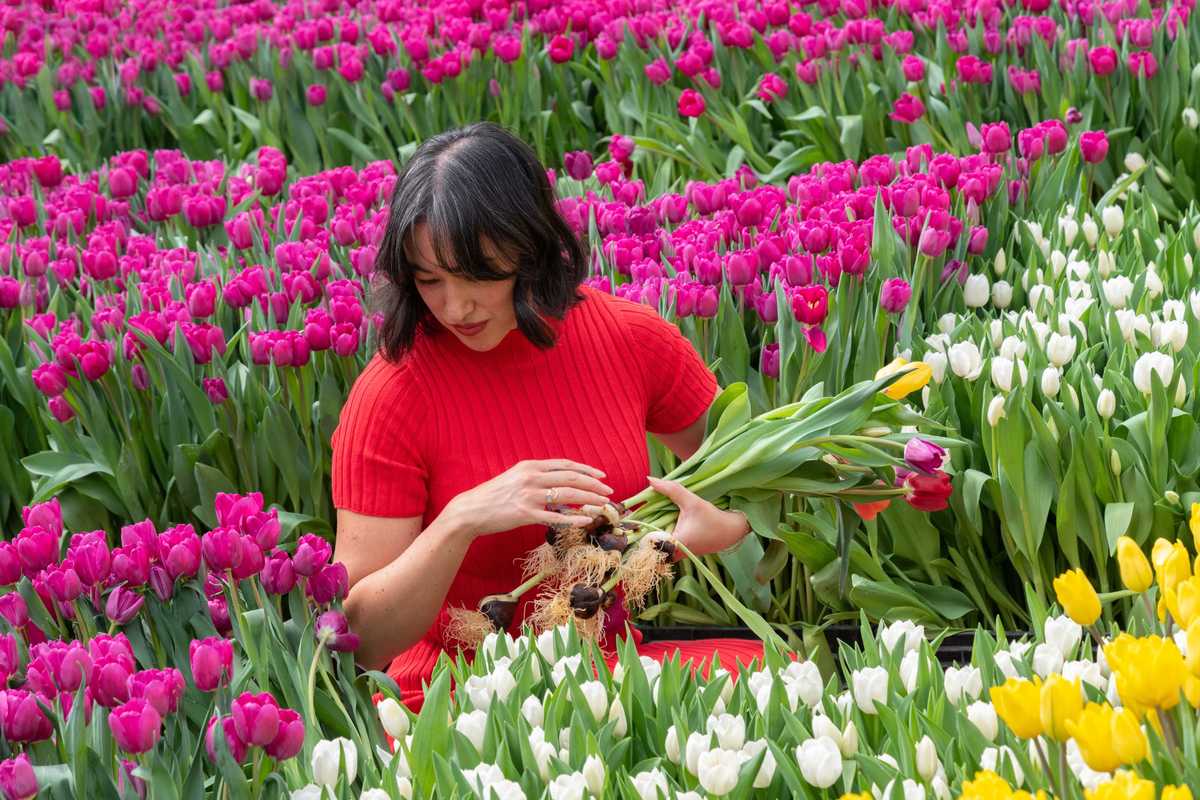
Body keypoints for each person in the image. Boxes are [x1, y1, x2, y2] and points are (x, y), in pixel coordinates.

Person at [331, 121, 763, 712]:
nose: (454, 306)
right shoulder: (393, 394)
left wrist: (716, 533)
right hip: (456, 694)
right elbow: (359, 640)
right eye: (429, 281)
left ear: (530, 247)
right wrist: (460, 521)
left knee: (779, 680)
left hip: (613, 671)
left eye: (478, 275)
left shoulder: (627, 339)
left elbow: (757, 487)